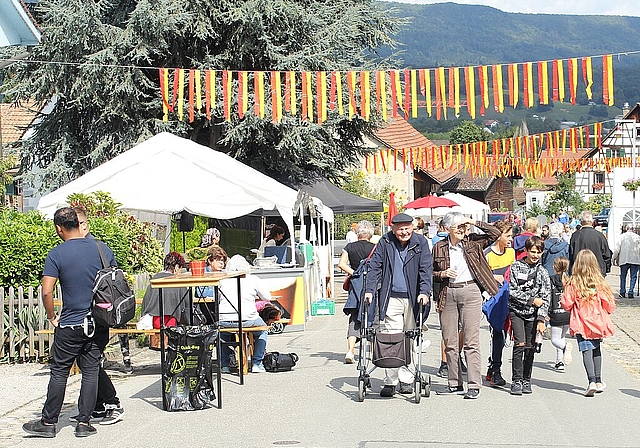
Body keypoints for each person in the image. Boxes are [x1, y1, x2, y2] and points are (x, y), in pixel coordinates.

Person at [23, 208, 114, 438]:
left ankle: (48, 422)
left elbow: (46, 292)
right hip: (98, 322)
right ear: (78, 223)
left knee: (60, 372)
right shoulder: (102, 249)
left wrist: (52, 316)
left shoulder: (56, 254)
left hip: (71, 323)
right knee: (91, 370)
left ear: (58, 228)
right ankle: (84, 423)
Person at [432, 212, 500, 399]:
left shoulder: (472, 242)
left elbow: (496, 233)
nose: (462, 230)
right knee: (450, 342)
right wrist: (442, 274)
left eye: (464, 226)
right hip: (448, 293)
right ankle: (454, 383)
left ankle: (473, 384)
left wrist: (473, 221)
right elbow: (430, 271)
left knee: (471, 340)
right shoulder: (439, 247)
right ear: (447, 229)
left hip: (470, 291)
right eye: (458, 226)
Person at [363, 213, 432, 398]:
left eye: (407, 228)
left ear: (413, 227)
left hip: (413, 298)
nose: (404, 232)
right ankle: (391, 381)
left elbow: (426, 269)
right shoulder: (385, 242)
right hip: (391, 297)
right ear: (393, 229)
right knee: (392, 338)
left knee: (409, 337)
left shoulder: (421, 242)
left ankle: (407, 380)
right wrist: (369, 289)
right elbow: (374, 267)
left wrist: (425, 291)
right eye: (400, 229)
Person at [71, 208, 126, 425]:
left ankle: (111, 402)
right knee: (87, 361)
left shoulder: (96, 248)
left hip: (97, 313)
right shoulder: (97, 249)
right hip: (93, 312)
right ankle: (98, 404)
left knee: (90, 361)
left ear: (83, 225)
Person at [561, 249, 616, 396]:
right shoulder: (600, 282)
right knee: (597, 349)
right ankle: (598, 380)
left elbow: (566, 303)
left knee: (586, 350)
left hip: (581, 322)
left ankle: (591, 381)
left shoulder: (573, 283)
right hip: (597, 321)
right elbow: (609, 305)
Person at [508, 236, 551, 396]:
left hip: (533, 315)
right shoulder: (516, 267)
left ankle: (527, 379)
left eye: (538, 252)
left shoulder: (543, 272)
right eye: (532, 252)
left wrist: (541, 319)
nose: (535, 255)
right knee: (519, 343)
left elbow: (546, 298)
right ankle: (516, 380)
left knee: (530, 347)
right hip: (517, 311)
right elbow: (512, 291)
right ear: (525, 251)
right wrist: (532, 300)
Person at [219, 255, 273, 373]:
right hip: (248, 318)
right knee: (263, 330)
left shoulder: (222, 280)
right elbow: (267, 297)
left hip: (225, 319)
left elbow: (216, 298)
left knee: (223, 336)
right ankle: (257, 363)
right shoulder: (253, 279)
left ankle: (224, 365)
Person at [338, 220, 375, 364]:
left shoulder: (349, 247)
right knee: (373, 317)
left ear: (357, 233)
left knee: (354, 318)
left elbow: (341, 264)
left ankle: (350, 351)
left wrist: (355, 273)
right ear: (371, 234)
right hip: (372, 286)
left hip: (356, 285)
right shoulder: (375, 248)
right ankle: (372, 352)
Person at [483, 220, 515, 387]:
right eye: (507, 235)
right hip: (493, 298)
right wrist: (492, 276)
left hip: (508, 297)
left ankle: (493, 366)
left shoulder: (510, 253)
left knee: (502, 333)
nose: (511, 239)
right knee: (497, 332)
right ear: (498, 236)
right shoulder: (488, 253)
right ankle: (496, 369)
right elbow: (481, 276)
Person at [141, 252, 189, 328]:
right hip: (172, 321)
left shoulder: (154, 280)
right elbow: (187, 304)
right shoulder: (178, 282)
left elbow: (145, 302)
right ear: (176, 267)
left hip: (154, 321)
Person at [568, 211, 612, 276]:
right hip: (597, 272)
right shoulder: (599, 236)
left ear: (581, 222)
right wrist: (606, 268)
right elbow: (607, 255)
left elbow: (571, 254)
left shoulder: (575, 236)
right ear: (592, 222)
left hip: (580, 271)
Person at [549, 257, 571, 372]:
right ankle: (559, 361)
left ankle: (565, 347)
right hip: (567, 314)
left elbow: (548, 297)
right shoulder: (569, 281)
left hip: (556, 313)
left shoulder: (551, 280)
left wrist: (547, 312)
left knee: (555, 340)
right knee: (561, 337)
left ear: (554, 267)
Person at [613, 224, 640, 298]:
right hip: (635, 260)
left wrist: (614, 258)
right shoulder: (637, 237)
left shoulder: (622, 237)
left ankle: (622, 291)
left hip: (624, 259)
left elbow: (617, 249)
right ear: (633, 229)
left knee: (623, 276)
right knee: (633, 276)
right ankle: (631, 291)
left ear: (626, 228)